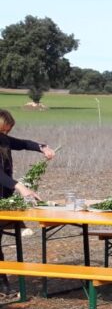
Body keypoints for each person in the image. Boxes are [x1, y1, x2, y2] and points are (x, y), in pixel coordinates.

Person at [0, 109, 56, 296]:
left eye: (7, 131)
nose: (6, 134)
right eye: (4, 130)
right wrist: (21, 187)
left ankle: (2, 284)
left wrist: (42, 147)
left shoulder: (4, 140)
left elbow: (23, 143)